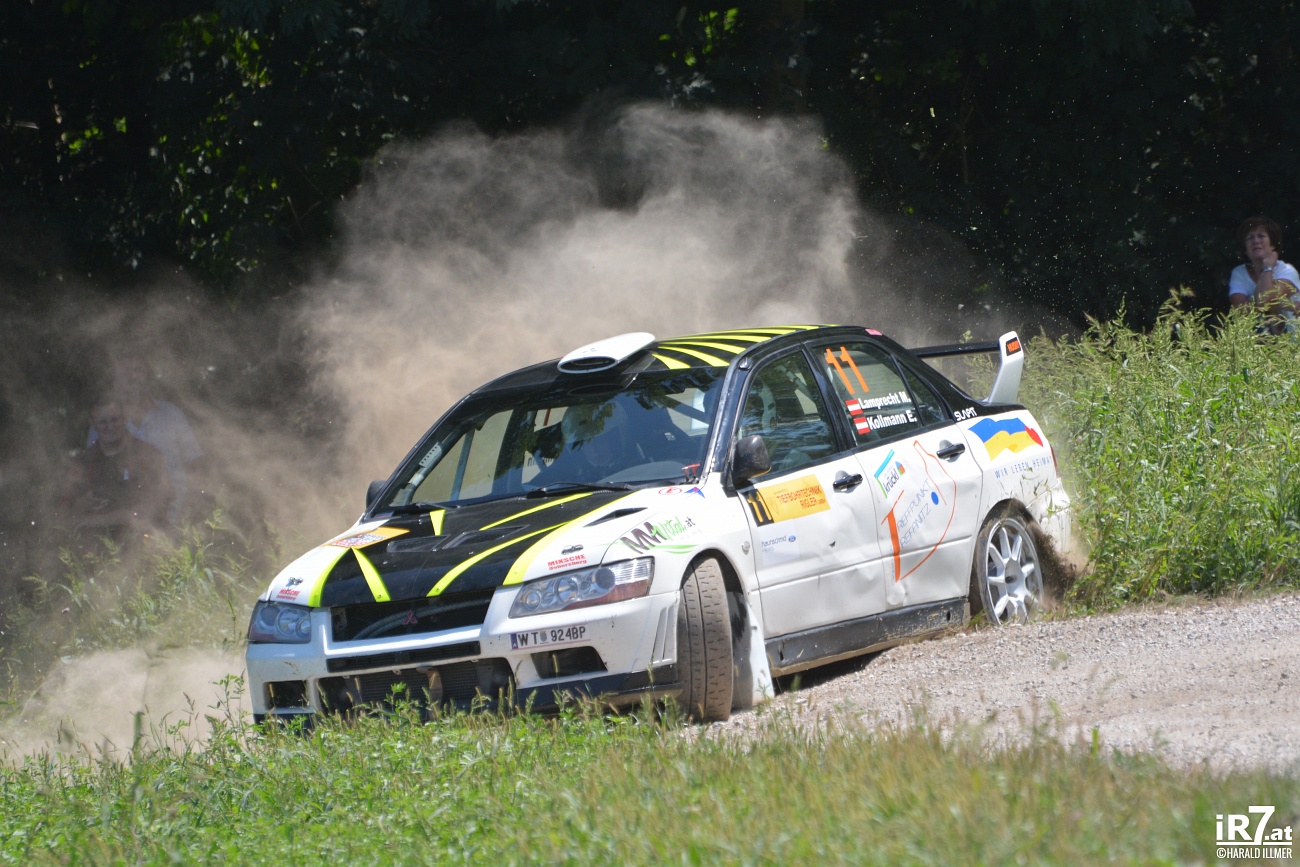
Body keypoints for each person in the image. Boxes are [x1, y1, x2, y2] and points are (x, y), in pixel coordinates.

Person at [87, 354, 203, 525]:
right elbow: (91, 471)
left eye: (137, 370)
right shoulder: (105, 422)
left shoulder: (172, 414)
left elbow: (195, 465)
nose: (132, 376)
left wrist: (193, 506)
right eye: (125, 372)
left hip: (178, 516)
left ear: (148, 375)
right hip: (124, 523)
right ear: (116, 379)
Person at [63, 398, 172, 543]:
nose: (110, 427)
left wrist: (102, 519)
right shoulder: (83, 463)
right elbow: (65, 511)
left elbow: (158, 504)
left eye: (114, 420)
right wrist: (81, 505)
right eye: (103, 422)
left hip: (142, 543)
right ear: (93, 424)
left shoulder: (148, 455)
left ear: (125, 419)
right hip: (95, 547)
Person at [1228, 216, 1300, 333]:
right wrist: (1285, 305)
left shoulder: (1287, 271)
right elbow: (1240, 311)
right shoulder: (1239, 273)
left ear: (1273, 244)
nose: (1256, 241)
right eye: (1250, 237)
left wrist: (1267, 268)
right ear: (1245, 249)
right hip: (1257, 342)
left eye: (1261, 236)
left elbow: (1266, 299)